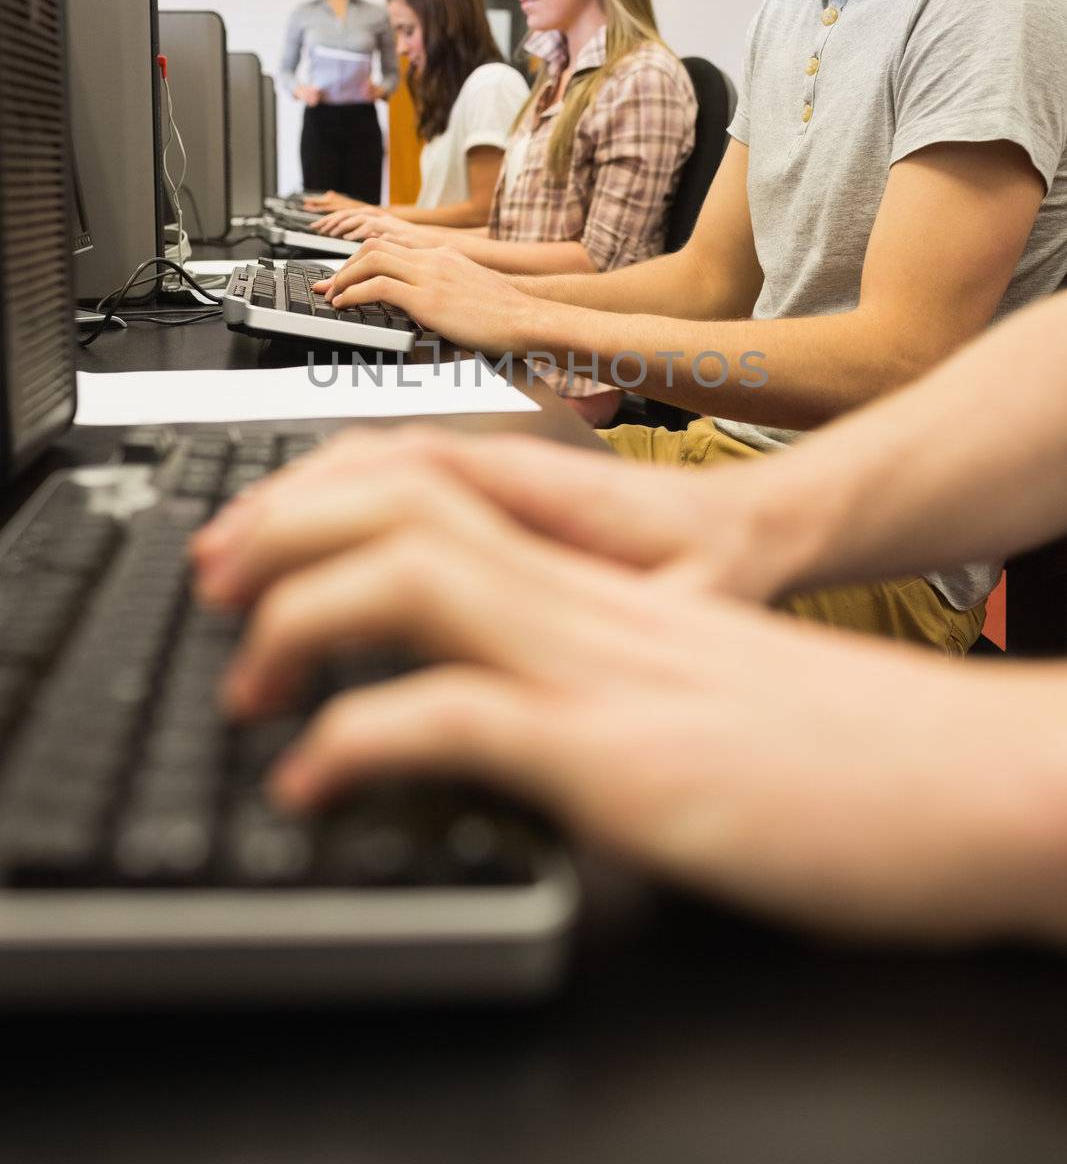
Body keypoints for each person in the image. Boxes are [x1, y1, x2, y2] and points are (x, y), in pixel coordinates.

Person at [316, 0, 1067, 640]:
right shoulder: (787, 3)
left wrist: (527, 317)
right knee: (362, 480)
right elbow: (713, 278)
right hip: (724, 462)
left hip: (867, 542)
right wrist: (463, 290)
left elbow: (901, 360)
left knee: (424, 596)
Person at [193, 288, 1067, 945]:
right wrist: (752, 519)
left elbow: (895, 353)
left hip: (904, 570)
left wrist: (1012, 761)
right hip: (756, 463)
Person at [315, 0, 697, 426]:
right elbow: (515, 234)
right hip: (509, 350)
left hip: (569, 377)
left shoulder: (642, 79)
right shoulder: (553, 79)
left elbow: (602, 265)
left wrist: (427, 247)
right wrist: (408, 240)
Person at [304, 0, 527, 229]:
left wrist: (374, 214)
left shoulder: (492, 85)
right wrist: (369, 213)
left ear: (447, 24)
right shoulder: (459, 94)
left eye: (408, 31)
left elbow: (482, 213)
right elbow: (438, 208)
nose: (400, 48)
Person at [278, 0, 399, 202]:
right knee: (319, 204)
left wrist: (380, 90)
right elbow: (285, 69)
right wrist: (301, 91)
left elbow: (393, 73)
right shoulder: (304, 13)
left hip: (362, 121)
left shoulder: (378, 15)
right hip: (320, 120)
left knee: (364, 205)